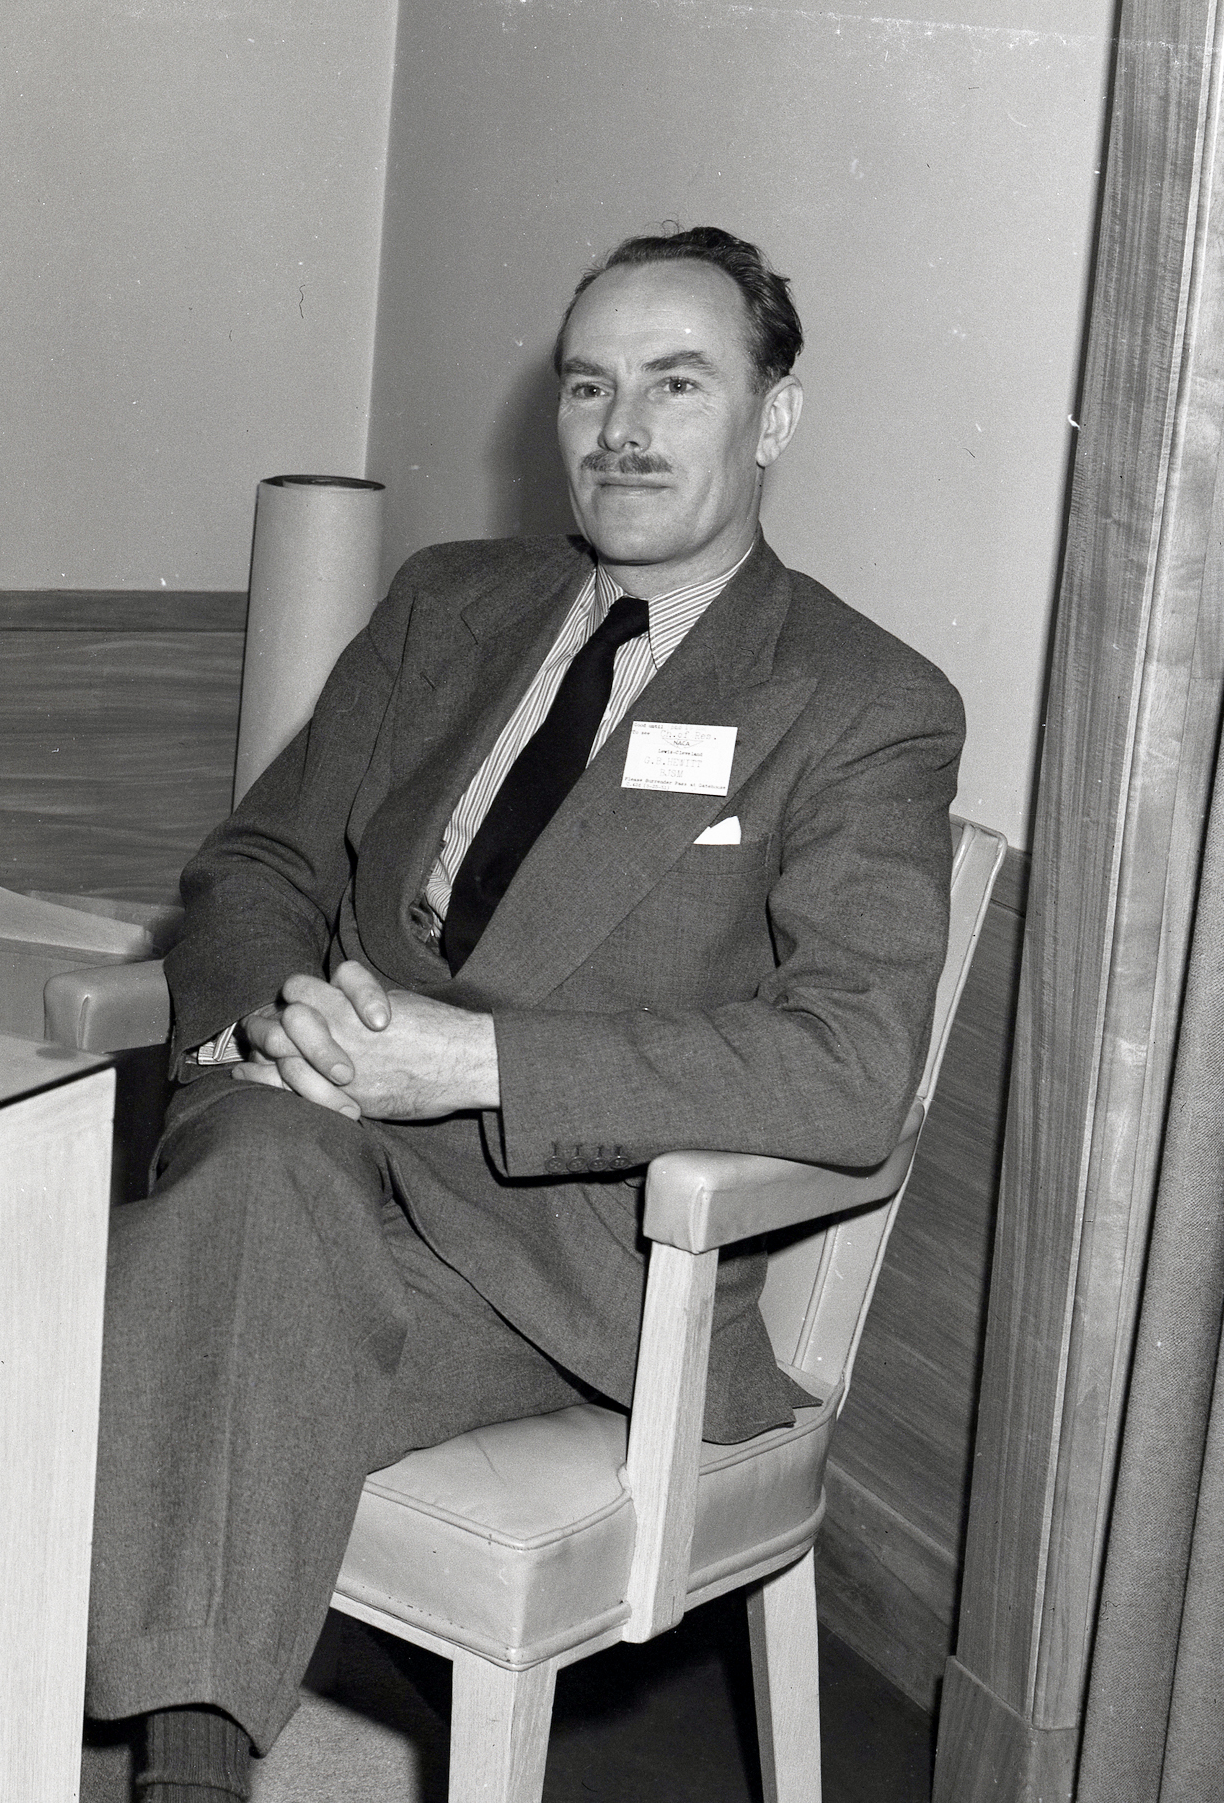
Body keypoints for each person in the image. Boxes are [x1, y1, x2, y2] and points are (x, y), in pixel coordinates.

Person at [90, 227, 963, 1801]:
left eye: (675, 384)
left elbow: (849, 1065)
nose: (619, 426)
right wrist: (282, 1018)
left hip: (551, 1259)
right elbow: (260, 860)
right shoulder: (447, 604)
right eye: (586, 385)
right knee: (244, 1192)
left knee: (113, 1323)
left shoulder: (857, 700)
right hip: (304, 1139)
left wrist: (472, 1061)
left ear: (770, 415)